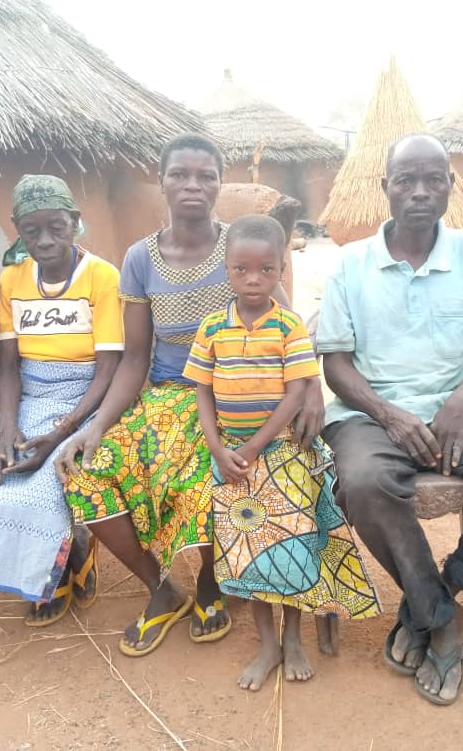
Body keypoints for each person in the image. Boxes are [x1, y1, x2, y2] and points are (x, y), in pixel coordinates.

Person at [53, 133, 325, 658]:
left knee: (209, 473)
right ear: (161, 181)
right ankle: (160, 588)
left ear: (221, 183)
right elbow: (135, 358)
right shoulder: (141, 258)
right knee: (86, 469)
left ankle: (210, 582)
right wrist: (97, 425)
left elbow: (288, 327)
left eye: (206, 176)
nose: (192, 185)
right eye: (180, 174)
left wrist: (311, 387)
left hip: (241, 397)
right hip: (168, 397)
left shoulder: (241, 249)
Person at [317, 134, 463, 706]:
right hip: (371, 417)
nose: (420, 192)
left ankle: (436, 598)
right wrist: (387, 413)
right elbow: (336, 364)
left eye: (433, 179)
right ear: (386, 188)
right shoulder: (352, 264)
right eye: (407, 180)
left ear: (451, 185)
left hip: (459, 417)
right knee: (365, 483)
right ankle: (445, 621)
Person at [183, 215, 379, 691]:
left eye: (266, 270)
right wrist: (217, 447)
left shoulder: (288, 327)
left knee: (290, 549)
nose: (253, 279)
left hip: (283, 456)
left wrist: (255, 446)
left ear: (281, 271)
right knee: (247, 553)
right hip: (231, 462)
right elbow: (203, 391)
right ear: (226, 270)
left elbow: (295, 395)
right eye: (241, 269)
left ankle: (293, 637)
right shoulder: (212, 328)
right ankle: (267, 644)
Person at [0, 175, 122, 626]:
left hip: (84, 398)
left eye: (56, 227)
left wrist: (62, 433)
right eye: (31, 230)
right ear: (17, 228)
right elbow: (8, 365)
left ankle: (63, 563)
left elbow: (108, 370)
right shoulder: (13, 279)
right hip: (28, 396)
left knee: (45, 486)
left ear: (74, 222)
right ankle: (52, 567)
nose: (44, 240)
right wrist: (8, 432)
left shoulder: (101, 276)